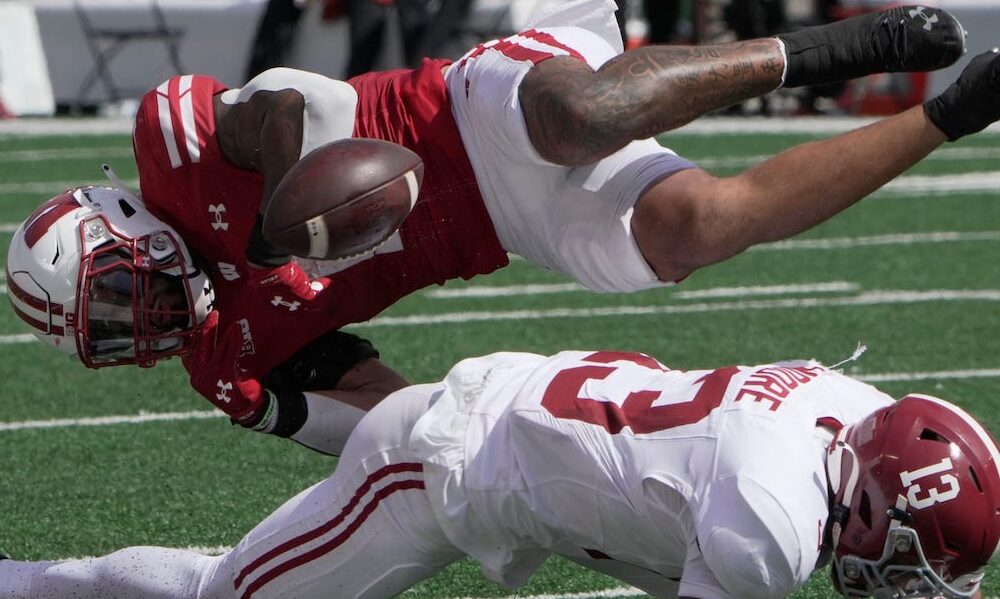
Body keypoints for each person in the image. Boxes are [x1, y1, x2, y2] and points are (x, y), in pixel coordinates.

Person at [7, 0, 999, 450]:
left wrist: (280, 217)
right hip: (505, 226)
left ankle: (842, 44)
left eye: (114, 292)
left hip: (461, 109)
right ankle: (959, 109)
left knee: (589, 115)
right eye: (110, 334)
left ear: (117, 223)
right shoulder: (227, 358)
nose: (136, 320)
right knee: (699, 227)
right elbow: (391, 425)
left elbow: (285, 107)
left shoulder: (169, 148)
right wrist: (445, 443)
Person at [1, 349, 998, 598]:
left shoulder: (847, 410)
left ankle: (289, 402)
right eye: (911, 556)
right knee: (229, 590)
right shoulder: (769, 523)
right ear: (863, 495)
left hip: (532, 419)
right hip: (438, 463)